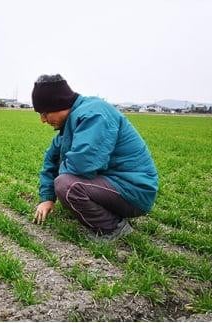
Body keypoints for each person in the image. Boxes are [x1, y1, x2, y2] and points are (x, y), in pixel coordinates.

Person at [32, 74, 158, 240]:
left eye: (45, 113)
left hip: (134, 190)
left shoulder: (93, 114)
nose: (43, 120)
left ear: (59, 104)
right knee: (64, 182)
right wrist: (47, 198)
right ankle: (107, 214)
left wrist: (59, 182)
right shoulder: (70, 123)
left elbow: (82, 165)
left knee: (67, 186)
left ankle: (114, 228)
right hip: (115, 185)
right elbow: (51, 161)